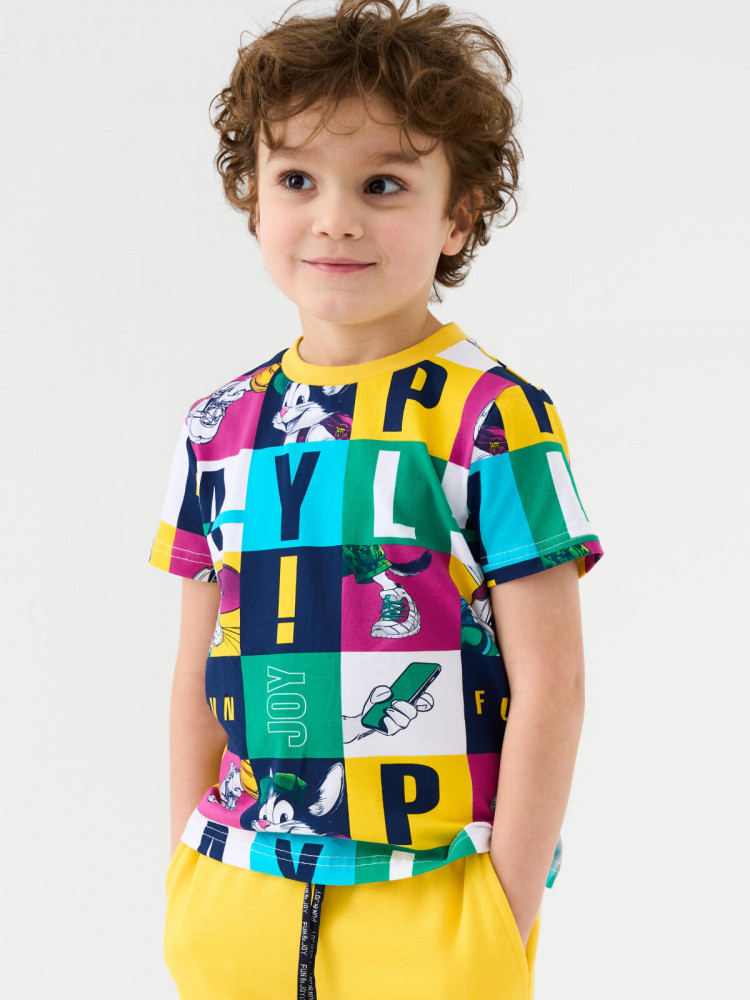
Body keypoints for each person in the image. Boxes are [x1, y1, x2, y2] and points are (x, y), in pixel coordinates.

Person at [148, 1, 604, 997]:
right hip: (236, 888)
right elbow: (195, 665)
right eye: (297, 179)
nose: (336, 218)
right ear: (254, 198)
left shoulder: (495, 418)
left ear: (459, 214)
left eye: (383, 184)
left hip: (434, 892)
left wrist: (503, 902)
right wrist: (188, 860)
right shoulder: (217, 424)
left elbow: (554, 682)